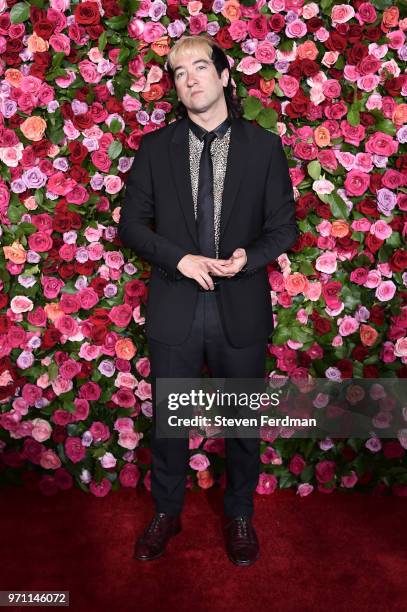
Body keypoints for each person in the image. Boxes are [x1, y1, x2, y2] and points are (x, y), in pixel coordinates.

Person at [118, 34, 299, 566]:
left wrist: (250, 257)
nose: (191, 78)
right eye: (179, 73)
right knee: (170, 420)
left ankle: (239, 513)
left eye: (200, 67)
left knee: (242, 421)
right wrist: (180, 259)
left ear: (224, 76)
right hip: (176, 302)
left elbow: (283, 227)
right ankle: (166, 513)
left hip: (240, 303)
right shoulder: (156, 148)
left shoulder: (263, 147)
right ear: (175, 87)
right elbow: (131, 223)